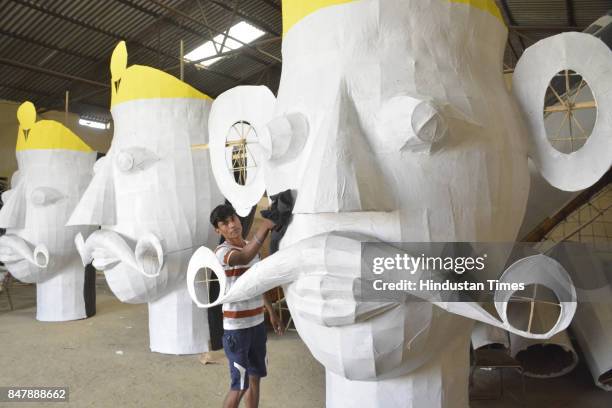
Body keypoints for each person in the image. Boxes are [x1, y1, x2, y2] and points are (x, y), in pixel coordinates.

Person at [210, 204, 284, 408]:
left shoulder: (251, 246)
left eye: (233, 219)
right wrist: (265, 227)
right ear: (219, 231)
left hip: (257, 324)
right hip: (237, 329)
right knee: (239, 386)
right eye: (225, 223)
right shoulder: (222, 252)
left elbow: (257, 284)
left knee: (255, 378)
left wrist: (271, 312)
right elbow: (243, 258)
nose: (232, 225)